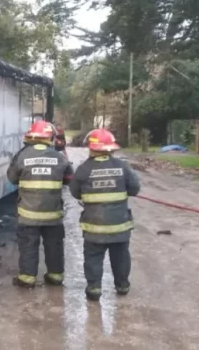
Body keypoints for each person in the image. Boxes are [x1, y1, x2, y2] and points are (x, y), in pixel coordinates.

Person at [69, 128, 141, 301]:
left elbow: (74, 192)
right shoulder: (122, 167)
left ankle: (94, 289)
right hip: (119, 226)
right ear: (111, 148)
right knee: (121, 256)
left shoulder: (84, 169)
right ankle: (122, 286)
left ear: (91, 147)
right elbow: (135, 188)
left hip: (94, 227)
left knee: (93, 257)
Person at [7, 120, 73, 288]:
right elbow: (69, 180)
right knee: (54, 246)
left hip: (28, 215)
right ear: (50, 138)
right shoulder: (60, 157)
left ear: (30, 136)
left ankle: (27, 279)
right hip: (53, 215)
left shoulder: (22, 155)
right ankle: (55, 277)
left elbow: (12, 178)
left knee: (28, 246)